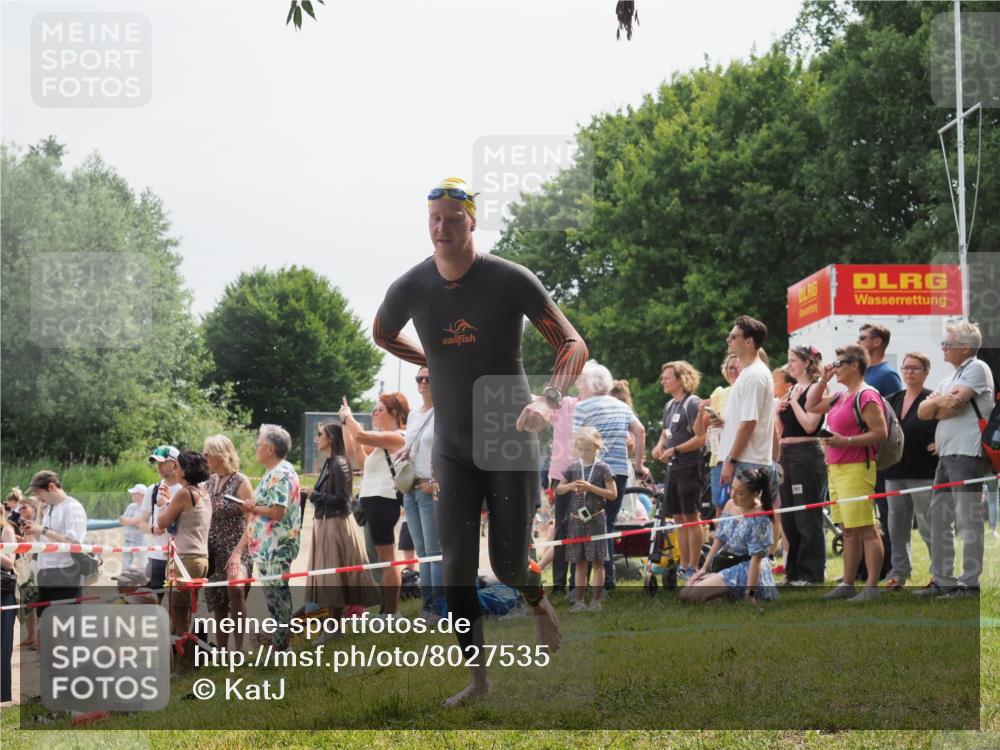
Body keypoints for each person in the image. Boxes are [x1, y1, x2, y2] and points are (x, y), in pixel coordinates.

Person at [372, 177, 588, 707]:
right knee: (455, 568)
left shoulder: (508, 279)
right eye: (433, 219)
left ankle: (535, 599)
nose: (441, 228)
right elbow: (381, 333)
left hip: (506, 429)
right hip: (452, 441)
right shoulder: (412, 285)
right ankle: (479, 680)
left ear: (472, 221)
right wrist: (431, 358)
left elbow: (572, 343)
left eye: (452, 219)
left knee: (509, 563)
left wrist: (549, 401)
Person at [915, 321, 995, 598]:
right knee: (939, 518)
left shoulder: (977, 368)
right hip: (947, 455)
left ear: (965, 348)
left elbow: (953, 406)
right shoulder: (950, 378)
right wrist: (938, 403)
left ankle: (969, 583)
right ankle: (943, 579)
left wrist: (937, 405)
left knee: (967, 520)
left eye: (947, 344)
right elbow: (923, 412)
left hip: (967, 454)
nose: (943, 348)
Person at [806, 345, 887, 602]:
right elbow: (811, 405)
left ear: (855, 366)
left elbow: (880, 433)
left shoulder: (866, 395)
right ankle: (847, 583)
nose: (835, 368)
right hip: (837, 468)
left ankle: (872, 587)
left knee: (866, 529)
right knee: (847, 530)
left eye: (839, 364)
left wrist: (846, 442)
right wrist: (823, 379)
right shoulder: (841, 395)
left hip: (856, 468)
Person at [572, 360, 648, 590]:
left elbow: (575, 442)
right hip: (619, 472)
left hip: (592, 473)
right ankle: (607, 582)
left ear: (591, 384)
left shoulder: (583, 407)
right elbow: (640, 431)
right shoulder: (621, 406)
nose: (579, 386)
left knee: (586, 524)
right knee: (607, 524)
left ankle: (581, 585)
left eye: (582, 382)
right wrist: (638, 465)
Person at [230, 424, 302, 648]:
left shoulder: (279, 474)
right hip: (269, 547)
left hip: (275, 548)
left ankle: (281, 647)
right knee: (274, 599)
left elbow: (277, 511)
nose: (256, 448)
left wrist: (252, 507)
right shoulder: (278, 471)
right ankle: (280, 645)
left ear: (270, 449)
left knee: (277, 599)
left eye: (259, 444)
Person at [306, 421, 379, 636]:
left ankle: (333, 627)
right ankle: (333, 626)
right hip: (327, 522)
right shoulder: (331, 462)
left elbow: (343, 499)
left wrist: (314, 495)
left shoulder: (339, 463)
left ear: (331, 438)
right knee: (331, 578)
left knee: (335, 578)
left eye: (320, 434)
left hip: (336, 524)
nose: (317, 438)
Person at [339, 392, 408, 617]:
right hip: (372, 503)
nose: (374, 414)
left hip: (383, 502)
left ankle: (392, 612)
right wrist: (344, 421)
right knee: (378, 558)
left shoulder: (399, 436)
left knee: (387, 559)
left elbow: (359, 435)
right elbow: (354, 452)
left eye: (379, 410)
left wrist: (348, 418)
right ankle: (385, 610)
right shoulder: (380, 443)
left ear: (395, 413)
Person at [680, 468, 779, 604]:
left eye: (740, 493)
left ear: (755, 494)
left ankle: (729, 594)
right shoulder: (730, 505)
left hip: (748, 568)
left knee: (694, 596)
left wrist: (750, 593)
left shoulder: (760, 517)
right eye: (732, 489)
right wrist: (704, 568)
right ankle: (721, 594)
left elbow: (756, 560)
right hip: (728, 563)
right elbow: (720, 538)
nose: (733, 495)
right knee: (685, 594)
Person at [883, 353, 938, 591]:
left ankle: (939, 574)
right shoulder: (892, 399)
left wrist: (939, 442)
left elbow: (945, 424)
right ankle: (899, 573)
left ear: (926, 371)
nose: (909, 372)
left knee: (928, 525)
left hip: (923, 471)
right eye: (905, 368)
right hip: (894, 472)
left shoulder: (933, 398)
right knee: (896, 527)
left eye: (915, 368)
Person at [776, 345, 828, 585]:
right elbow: (782, 431)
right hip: (787, 455)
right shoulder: (792, 390)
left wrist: (795, 403)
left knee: (807, 516)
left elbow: (809, 425)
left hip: (806, 455)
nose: (789, 365)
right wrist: (778, 412)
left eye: (793, 360)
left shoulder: (817, 389)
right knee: (789, 517)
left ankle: (812, 573)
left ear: (807, 362)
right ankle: (794, 571)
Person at [715, 316, 779, 504]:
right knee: (738, 516)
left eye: (734, 336)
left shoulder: (754, 376)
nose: (728, 340)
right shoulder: (749, 373)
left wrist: (731, 460)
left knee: (751, 518)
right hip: (744, 459)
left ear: (749, 342)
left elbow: (749, 423)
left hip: (747, 461)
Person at [651, 361, 706, 579]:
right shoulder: (669, 405)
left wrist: (675, 450)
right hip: (673, 468)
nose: (662, 381)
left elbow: (701, 438)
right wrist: (659, 446)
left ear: (681, 379)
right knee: (679, 519)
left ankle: (693, 566)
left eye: (667, 377)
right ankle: (683, 565)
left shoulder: (692, 403)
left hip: (690, 466)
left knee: (692, 517)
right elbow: (666, 432)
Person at [400, 367, 447, 620]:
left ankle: (437, 607)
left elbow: (450, 452)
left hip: (430, 489)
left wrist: (436, 483)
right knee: (422, 553)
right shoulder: (412, 415)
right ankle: (427, 607)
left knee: (434, 553)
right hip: (411, 488)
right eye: (420, 378)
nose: (424, 382)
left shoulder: (444, 412)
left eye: (429, 378)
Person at [152, 450, 212, 643]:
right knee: (183, 613)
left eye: (177, 466)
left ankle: (180, 658)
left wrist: (163, 504)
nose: (174, 470)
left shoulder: (185, 493)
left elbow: (162, 522)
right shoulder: (203, 493)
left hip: (185, 559)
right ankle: (182, 656)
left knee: (178, 616)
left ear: (185, 471)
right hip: (200, 558)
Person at [203, 435, 254, 651]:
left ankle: (240, 647)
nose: (204, 457)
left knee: (236, 591)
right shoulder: (208, 482)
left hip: (236, 546)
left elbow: (252, 522)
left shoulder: (241, 481)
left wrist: (238, 552)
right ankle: (222, 651)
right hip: (213, 549)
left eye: (207, 453)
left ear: (220, 455)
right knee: (218, 600)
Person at [557, 427, 618, 612]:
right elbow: (559, 489)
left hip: (596, 520)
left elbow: (613, 494)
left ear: (597, 447)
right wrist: (570, 486)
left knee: (598, 562)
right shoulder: (573, 467)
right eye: (581, 449)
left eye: (588, 450)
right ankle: (579, 601)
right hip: (576, 520)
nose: (584, 453)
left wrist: (591, 488)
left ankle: (596, 601)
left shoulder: (603, 468)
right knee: (579, 563)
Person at [21, 470, 88, 622]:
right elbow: (47, 540)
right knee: (46, 621)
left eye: (38, 492)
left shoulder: (72, 507)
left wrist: (42, 530)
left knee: (66, 623)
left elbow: (74, 542)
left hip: (65, 572)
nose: (37, 497)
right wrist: (35, 531)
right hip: (46, 571)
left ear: (51, 487)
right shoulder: (51, 508)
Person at [133, 445, 183, 598]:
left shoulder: (186, 490)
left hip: (181, 556)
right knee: (152, 600)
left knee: (180, 603)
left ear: (175, 464)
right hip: (157, 556)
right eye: (156, 463)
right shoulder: (152, 490)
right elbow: (141, 523)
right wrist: (153, 529)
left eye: (162, 462)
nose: (158, 467)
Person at [546, 389, 580, 598]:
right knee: (562, 530)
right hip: (561, 474)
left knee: (581, 530)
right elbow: (546, 397)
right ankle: (558, 583)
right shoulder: (565, 403)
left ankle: (576, 583)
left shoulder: (596, 404)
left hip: (586, 474)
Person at [1, 513, 17, 703]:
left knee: (3, 648)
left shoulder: (6, 530)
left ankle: (3, 698)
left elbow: (9, 563)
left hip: (3, 593)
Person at [120, 484, 148, 572]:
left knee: (142, 564)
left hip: (139, 541)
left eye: (134, 493)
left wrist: (128, 520)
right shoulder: (131, 506)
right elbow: (122, 520)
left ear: (141, 495)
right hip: (127, 539)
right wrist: (132, 521)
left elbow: (140, 522)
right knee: (125, 565)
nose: (131, 495)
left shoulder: (146, 507)